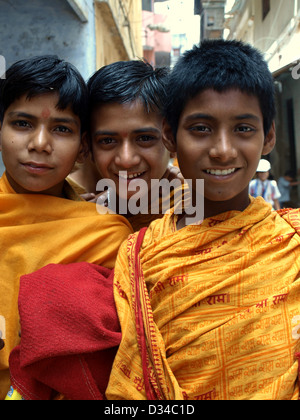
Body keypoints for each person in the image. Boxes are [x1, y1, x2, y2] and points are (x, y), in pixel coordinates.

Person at [105, 40, 300, 400]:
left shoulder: (292, 242)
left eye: (243, 128)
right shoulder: (140, 254)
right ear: (169, 136)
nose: (223, 150)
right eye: (201, 128)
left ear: (268, 136)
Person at [0, 55, 132, 400]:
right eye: (22, 123)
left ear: (82, 148)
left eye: (61, 129)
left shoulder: (105, 235)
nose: (40, 144)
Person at [69, 60, 184, 232]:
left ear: (172, 138)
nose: (126, 160)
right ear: (87, 147)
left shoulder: (199, 207)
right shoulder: (69, 210)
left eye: (145, 138)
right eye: (108, 141)